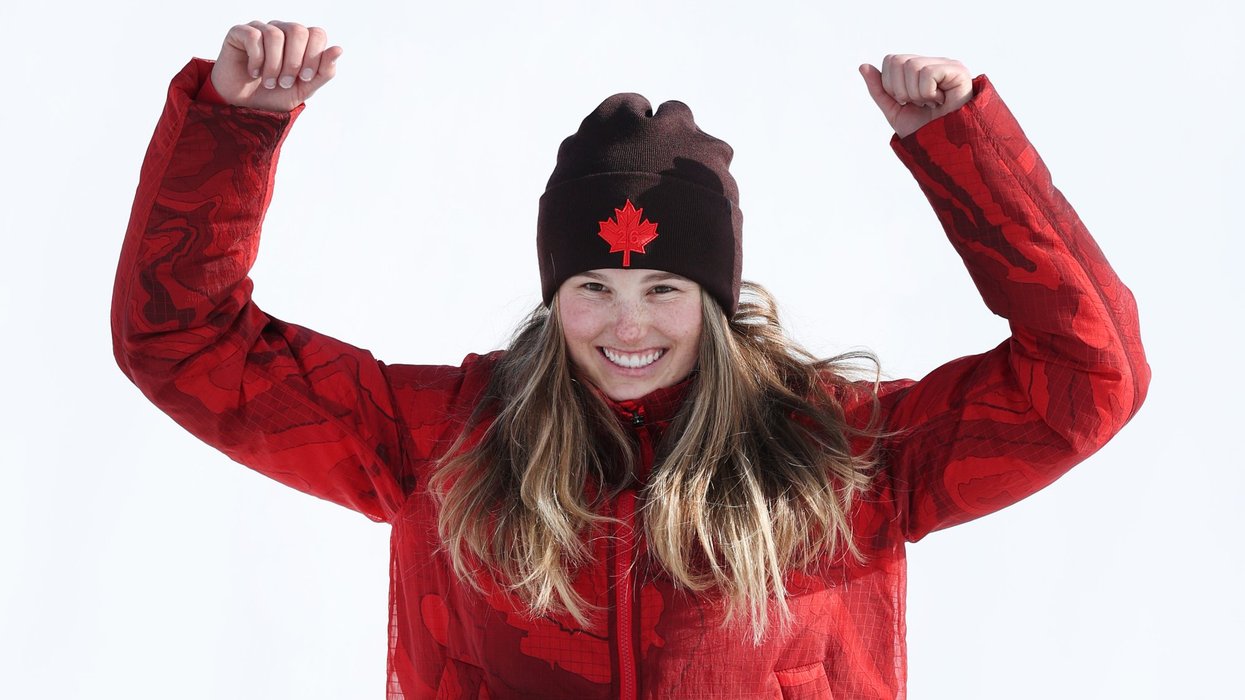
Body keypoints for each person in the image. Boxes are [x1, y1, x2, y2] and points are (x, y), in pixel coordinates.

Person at [111, 19, 1149, 700]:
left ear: (717, 298)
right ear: (554, 292)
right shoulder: (442, 437)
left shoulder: (841, 453)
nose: (627, 326)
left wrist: (963, 147)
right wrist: (236, 126)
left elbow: (1087, 377)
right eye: (591, 290)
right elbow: (184, 340)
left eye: (666, 291)